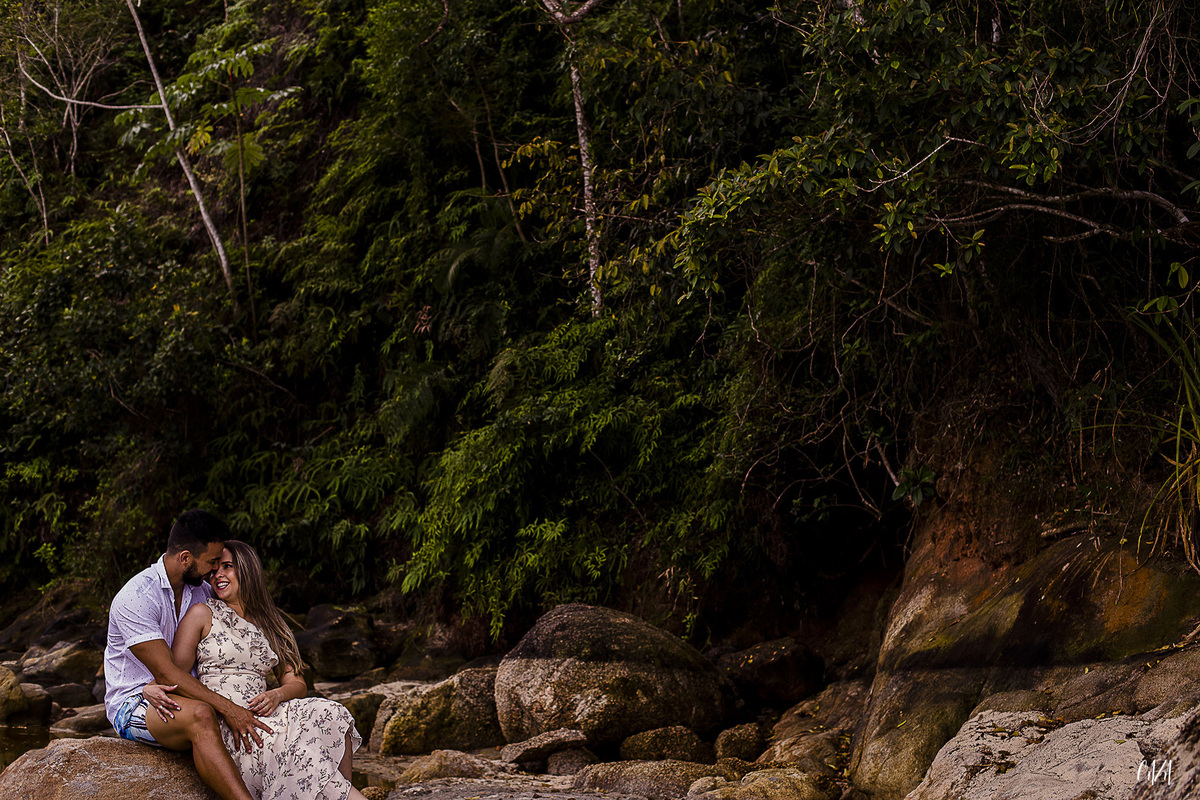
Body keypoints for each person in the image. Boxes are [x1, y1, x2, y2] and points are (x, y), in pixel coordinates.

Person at [145, 539, 367, 800]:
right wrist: (151, 687)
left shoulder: (270, 622)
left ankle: (337, 790)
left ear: (247, 569)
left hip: (267, 711)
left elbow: (297, 684)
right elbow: (175, 673)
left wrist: (277, 694)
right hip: (229, 720)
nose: (218, 575)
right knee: (296, 753)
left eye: (227, 567)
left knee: (332, 712)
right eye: (214, 570)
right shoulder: (202, 614)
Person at [104, 509, 271, 800]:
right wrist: (229, 709)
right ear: (185, 558)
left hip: (189, 693)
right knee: (202, 715)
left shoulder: (201, 592)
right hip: (137, 701)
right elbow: (166, 673)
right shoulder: (136, 597)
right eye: (211, 561)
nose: (215, 570)